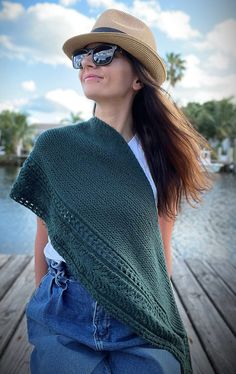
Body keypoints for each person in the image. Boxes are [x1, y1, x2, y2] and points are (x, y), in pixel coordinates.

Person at [9, 8, 212, 374]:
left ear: (137, 79)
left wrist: (161, 316)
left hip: (138, 313)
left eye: (103, 52)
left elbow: (159, 254)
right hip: (63, 309)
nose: (88, 61)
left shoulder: (163, 158)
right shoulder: (54, 147)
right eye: (82, 55)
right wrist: (45, 302)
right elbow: (44, 236)